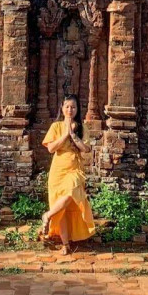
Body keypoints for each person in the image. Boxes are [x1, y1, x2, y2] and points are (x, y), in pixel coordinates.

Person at [39, 94, 96, 254]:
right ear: (62, 108)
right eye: (67, 107)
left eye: (73, 107)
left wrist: (73, 135)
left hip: (74, 168)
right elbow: (51, 149)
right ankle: (65, 244)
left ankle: (47, 215)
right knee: (62, 208)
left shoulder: (82, 127)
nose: (70, 110)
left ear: (77, 110)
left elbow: (86, 149)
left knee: (71, 192)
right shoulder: (56, 126)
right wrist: (65, 134)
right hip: (58, 170)